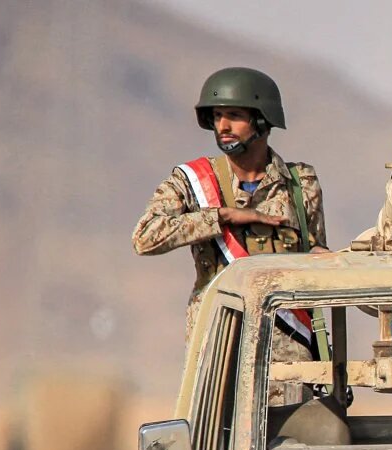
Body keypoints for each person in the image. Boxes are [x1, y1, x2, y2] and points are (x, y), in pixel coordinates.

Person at [132, 67, 327, 362]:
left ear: (261, 120)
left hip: (286, 348)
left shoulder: (300, 183)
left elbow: (313, 254)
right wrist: (221, 217)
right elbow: (145, 238)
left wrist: (319, 257)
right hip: (219, 346)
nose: (223, 126)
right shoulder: (193, 182)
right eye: (217, 116)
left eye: (234, 115)